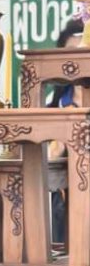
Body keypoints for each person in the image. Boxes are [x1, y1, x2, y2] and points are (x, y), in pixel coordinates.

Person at [46, 17, 83, 244]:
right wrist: (60, 139)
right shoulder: (54, 104)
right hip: (66, 200)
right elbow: (46, 159)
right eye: (72, 53)